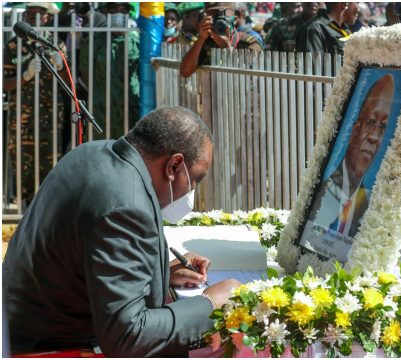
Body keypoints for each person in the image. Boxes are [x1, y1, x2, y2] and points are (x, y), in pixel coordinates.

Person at [2, 106, 241, 357]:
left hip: (21, 325)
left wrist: (159, 274)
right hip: (48, 347)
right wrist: (210, 305)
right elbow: (128, 337)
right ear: (174, 166)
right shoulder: (127, 205)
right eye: (196, 179)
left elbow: (81, 263)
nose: (193, 191)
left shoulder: (91, 153)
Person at [307, 75, 395, 239]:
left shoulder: (368, 209)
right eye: (371, 122)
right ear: (355, 128)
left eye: (382, 127)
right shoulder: (323, 189)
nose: (374, 137)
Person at [2, 2, 66, 206]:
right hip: (22, 120)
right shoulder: (13, 45)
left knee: (50, 172)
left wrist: (62, 65)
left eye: (40, 13)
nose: (35, 17)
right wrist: (25, 75)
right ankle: (24, 216)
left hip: (50, 120)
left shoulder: (56, 43)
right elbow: (5, 83)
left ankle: (46, 219)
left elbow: (69, 83)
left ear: (48, 17)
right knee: (23, 172)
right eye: (31, 13)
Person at [78, 2, 140, 140]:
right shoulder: (94, 40)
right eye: (113, 9)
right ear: (106, 13)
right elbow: (86, 72)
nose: (118, 13)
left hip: (130, 107)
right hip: (102, 109)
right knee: (101, 149)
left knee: (130, 149)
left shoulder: (136, 40)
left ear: (128, 14)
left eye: (122, 10)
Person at [180, 2, 262, 78]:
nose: (217, 21)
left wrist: (226, 46)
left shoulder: (250, 42)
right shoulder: (206, 42)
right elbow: (185, 71)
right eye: (213, 18)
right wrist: (201, 38)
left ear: (235, 19)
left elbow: (250, 77)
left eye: (221, 17)